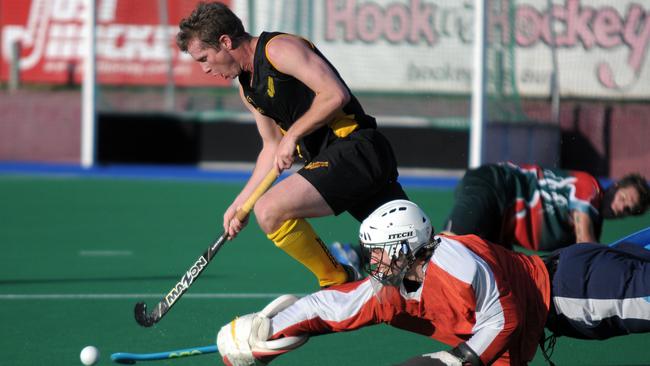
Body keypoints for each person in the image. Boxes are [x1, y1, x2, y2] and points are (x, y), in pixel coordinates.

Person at [215, 200, 650, 366]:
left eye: (381, 251)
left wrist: (457, 361)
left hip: (575, 292)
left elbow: (505, 319)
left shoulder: (455, 262)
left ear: (406, 247)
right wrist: (266, 332)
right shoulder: (392, 288)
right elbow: (332, 307)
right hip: (566, 290)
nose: (374, 261)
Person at [176, 2, 407, 287]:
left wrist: (293, 135)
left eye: (204, 58)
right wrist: (240, 204)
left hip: (357, 149)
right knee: (413, 263)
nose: (206, 69)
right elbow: (272, 148)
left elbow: (334, 94)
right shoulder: (247, 89)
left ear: (225, 42)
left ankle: (337, 281)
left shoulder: (278, 49)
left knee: (271, 209)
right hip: (335, 162)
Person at [443, 162, 650, 252]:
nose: (619, 208)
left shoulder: (594, 228)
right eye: (622, 198)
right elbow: (585, 245)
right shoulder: (591, 187)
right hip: (496, 186)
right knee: (449, 245)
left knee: (498, 283)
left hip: (500, 231)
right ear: (614, 187)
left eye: (627, 210)